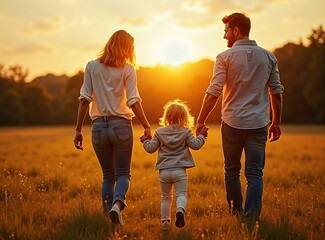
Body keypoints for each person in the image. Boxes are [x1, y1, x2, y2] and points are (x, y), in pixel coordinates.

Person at [196, 12, 284, 223]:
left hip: (232, 124)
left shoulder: (224, 58)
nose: (224, 36)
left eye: (226, 31)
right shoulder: (269, 57)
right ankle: (251, 218)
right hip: (259, 124)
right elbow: (277, 92)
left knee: (232, 170)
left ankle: (236, 214)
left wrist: (200, 120)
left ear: (236, 30)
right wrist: (276, 122)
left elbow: (213, 92)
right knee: (254, 173)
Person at [73, 30, 151, 226]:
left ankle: (108, 220)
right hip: (121, 126)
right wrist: (146, 125)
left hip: (98, 127)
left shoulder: (91, 66)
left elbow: (84, 100)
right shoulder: (128, 70)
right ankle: (117, 205)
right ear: (126, 48)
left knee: (108, 176)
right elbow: (133, 101)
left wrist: (78, 130)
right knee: (123, 174)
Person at [141, 99, 208, 231]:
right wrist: (202, 136)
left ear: (167, 117)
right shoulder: (186, 132)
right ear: (184, 117)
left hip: (164, 172)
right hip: (180, 171)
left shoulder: (160, 132)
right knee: (181, 194)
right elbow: (196, 145)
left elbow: (150, 149)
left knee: (166, 198)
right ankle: (180, 211)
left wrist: (144, 141)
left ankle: (165, 223)